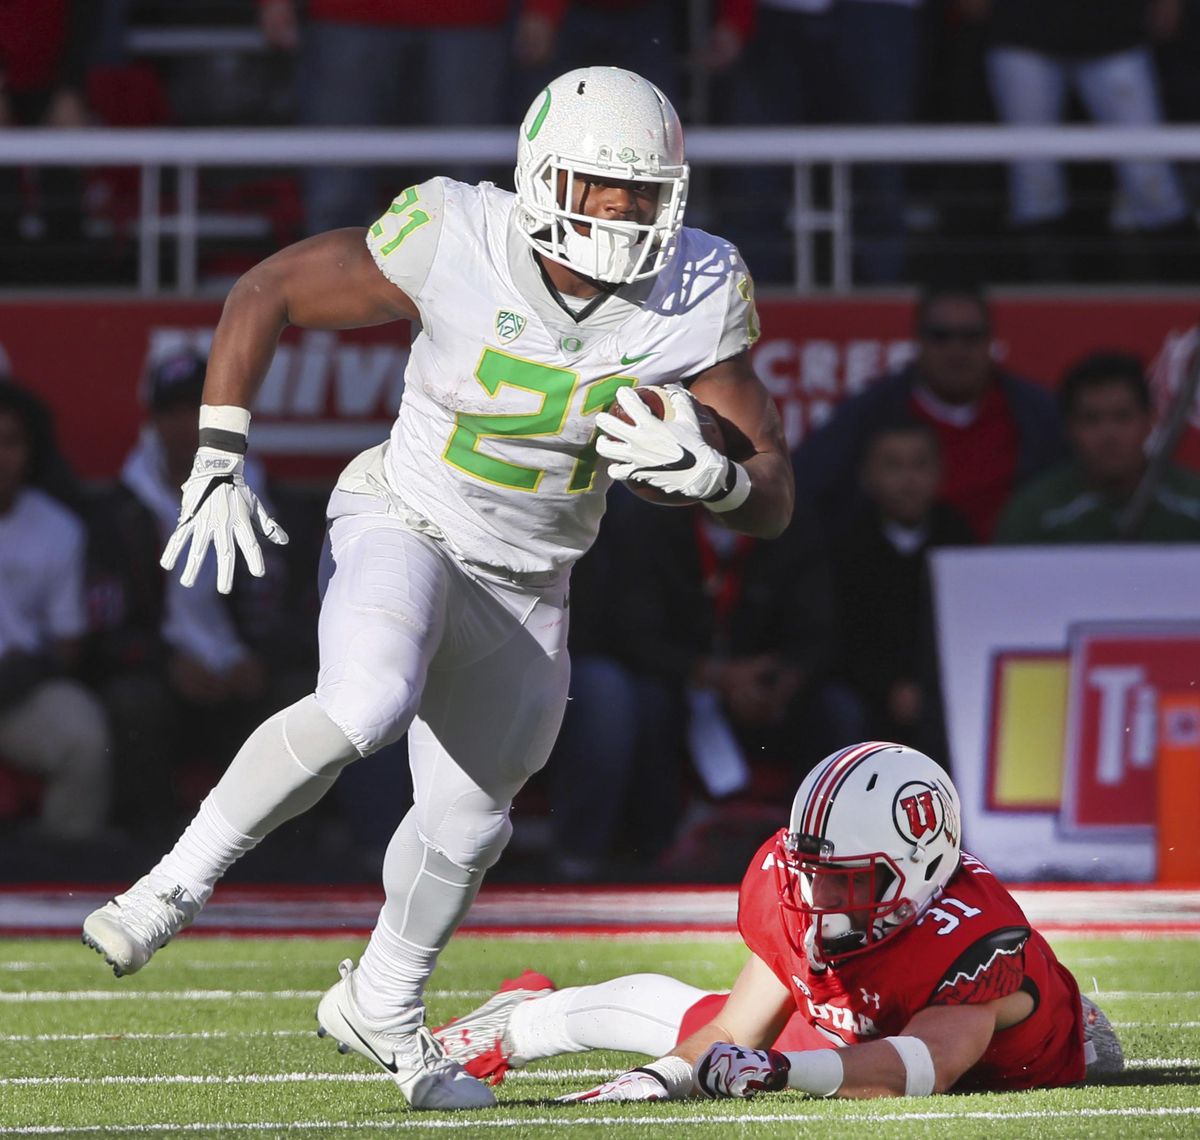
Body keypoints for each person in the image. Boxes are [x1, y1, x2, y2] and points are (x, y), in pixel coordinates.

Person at [81, 66, 793, 1113]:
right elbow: (265, 288)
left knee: (471, 821)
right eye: (603, 186)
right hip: (407, 517)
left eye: (646, 193)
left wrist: (722, 479)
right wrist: (220, 456)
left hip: (531, 578)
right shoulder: (457, 232)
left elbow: (773, 488)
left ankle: (384, 1002)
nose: (628, 213)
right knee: (366, 699)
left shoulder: (694, 289)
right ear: (546, 175)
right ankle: (170, 883)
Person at [433, 742, 1125, 1102]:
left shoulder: (973, 937)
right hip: (854, 1020)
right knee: (691, 1022)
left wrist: (780, 1071)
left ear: (920, 864)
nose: (817, 895)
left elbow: (931, 1066)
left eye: (847, 880)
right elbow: (733, 1030)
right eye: (813, 872)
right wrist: (663, 1077)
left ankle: (1074, 1012)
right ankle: (517, 1023)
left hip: (979, 1052)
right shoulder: (796, 883)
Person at [86, 347, 309, 839]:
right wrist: (167, 662)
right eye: (174, 410)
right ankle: (148, 845)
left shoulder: (271, 498)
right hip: (165, 678)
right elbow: (103, 631)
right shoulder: (121, 513)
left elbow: (309, 607)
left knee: (299, 696)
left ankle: (292, 853)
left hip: (249, 674)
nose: (187, 424)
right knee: (133, 700)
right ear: (154, 420)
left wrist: (262, 660)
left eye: (201, 410)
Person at [793, 282, 1064, 542]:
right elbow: (800, 490)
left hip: (1008, 570)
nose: (956, 350)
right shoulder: (869, 413)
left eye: (970, 336)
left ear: (990, 340)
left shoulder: (1037, 413)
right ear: (918, 340)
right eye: (940, 336)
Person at [0, 379, 112, 843]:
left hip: (18, 691)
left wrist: (27, 672)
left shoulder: (57, 527)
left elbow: (68, 642)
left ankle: (64, 876)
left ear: (31, 451)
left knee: (84, 735)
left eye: (9, 442)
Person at [831, 419, 974, 746]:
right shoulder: (846, 543)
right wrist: (888, 688)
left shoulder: (958, 537)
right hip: (867, 693)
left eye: (919, 464)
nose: (908, 480)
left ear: (940, 472)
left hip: (943, 689)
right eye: (893, 465)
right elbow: (840, 637)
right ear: (867, 475)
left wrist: (928, 688)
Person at [994, 350, 1200, 543]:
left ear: (1150, 421)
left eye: (1122, 417)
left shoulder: (1193, 503)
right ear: (1068, 428)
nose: (1108, 435)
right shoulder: (1034, 513)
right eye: (1091, 419)